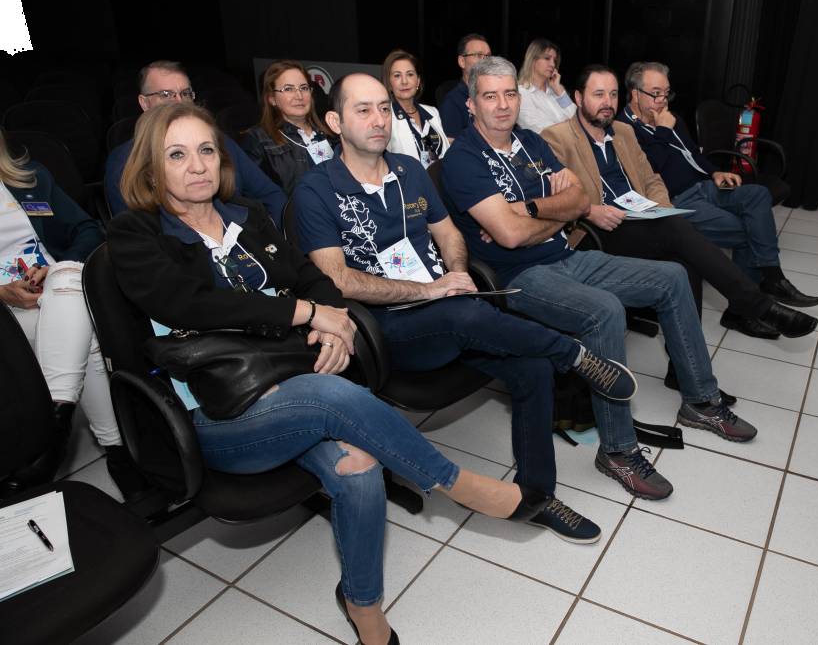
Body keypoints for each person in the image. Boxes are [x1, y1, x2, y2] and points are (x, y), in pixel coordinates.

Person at [108, 102, 550, 645]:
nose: (197, 165)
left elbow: (313, 279)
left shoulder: (248, 216)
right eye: (177, 155)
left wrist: (332, 325)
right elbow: (191, 305)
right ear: (151, 168)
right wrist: (305, 314)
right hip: (217, 413)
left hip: (293, 383)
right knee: (328, 394)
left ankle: (362, 602)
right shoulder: (134, 235)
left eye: (205, 150)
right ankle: (455, 484)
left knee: (358, 465)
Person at [293, 73, 643, 544]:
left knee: (532, 367)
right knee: (466, 315)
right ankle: (574, 355)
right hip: (391, 329)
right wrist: (429, 293)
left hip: (451, 309)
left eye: (384, 108)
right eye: (363, 110)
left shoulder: (409, 169)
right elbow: (337, 279)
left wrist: (456, 276)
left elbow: (449, 234)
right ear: (335, 122)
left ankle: (537, 496)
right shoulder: (315, 190)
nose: (378, 120)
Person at [442, 57, 762, 502]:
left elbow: (578, 199)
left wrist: (531, 209)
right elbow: (511, 237)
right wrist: (551, 213)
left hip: (566, 255)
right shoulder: (462, 159)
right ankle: (617, 450)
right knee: (605, 310)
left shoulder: (530, 142)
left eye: (510, 94)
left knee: (672, 277)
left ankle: (701, 401)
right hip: (518, 277)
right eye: (490, 96)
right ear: (472, 103)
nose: (502, 105)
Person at [541, 65, 818, 341]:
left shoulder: (622, 132)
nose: (608, 102)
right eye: (599, 94)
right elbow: (553, 201)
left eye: (612, 94)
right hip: (598, 228)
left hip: (640, 218)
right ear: (578, 98)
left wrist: (663, 209)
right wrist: (590, 210)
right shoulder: (556, 137)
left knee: (686, 264)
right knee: (680, 231)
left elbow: (652, 179)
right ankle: (759, 306)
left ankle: (685, 360)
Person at [0, 131, 148, 500]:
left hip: (57, 290)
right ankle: (119, 452)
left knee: (68, 280)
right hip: (6, 313)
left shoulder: (30, 177)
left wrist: (57, 269)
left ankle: (52, 426)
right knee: (87, 327)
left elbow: (85, 229)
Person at [619, 62, 818, 308]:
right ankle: (749, 304)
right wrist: (663, 130)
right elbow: (651, 169)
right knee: (748, 230)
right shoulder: (623, 129)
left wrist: (715, 172)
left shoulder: (670, 119)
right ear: (635, 94)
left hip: (704, 185)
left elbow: (694, 154)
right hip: (677, 200)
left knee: (758, 194)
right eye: (656, 93)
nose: (663, 100)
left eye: (667, 93)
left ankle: (772, 278)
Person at [104, 60, 287, 226]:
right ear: (144, 103)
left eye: (185, 93)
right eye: (166, 94)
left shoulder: (222, 142)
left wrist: (273, 240)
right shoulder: (125, 159)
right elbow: (134, 229)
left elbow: (271, 194)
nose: (179, 102)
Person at [242, 59, 337, 194]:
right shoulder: (257, 140)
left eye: (304, 88)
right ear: (272, 99)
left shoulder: (330, 132)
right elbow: (258, 195)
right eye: (288, 89)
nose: (299, 95)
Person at [382, 49, 450, 168]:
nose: (404, 81)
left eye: (410, 74)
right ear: (389, 83)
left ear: (418, 81)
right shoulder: (385, 117)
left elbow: (446, 152)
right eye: (397, 76)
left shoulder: (432, 112)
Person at [516, 38, 576, 134]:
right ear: (533, 60)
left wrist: (559, 90)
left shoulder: (557, 92)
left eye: (554, 60)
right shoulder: (521, 93)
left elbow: (578, 120)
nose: (552, 64)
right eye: (547, 58)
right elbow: (542, 130)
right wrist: (569, 127)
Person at [438, 33, 492, 138]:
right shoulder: (452, 103)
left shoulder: (495, 96)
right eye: (478, 55)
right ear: (462, 61)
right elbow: (453, 145)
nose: (485, 61)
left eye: (488, 56)